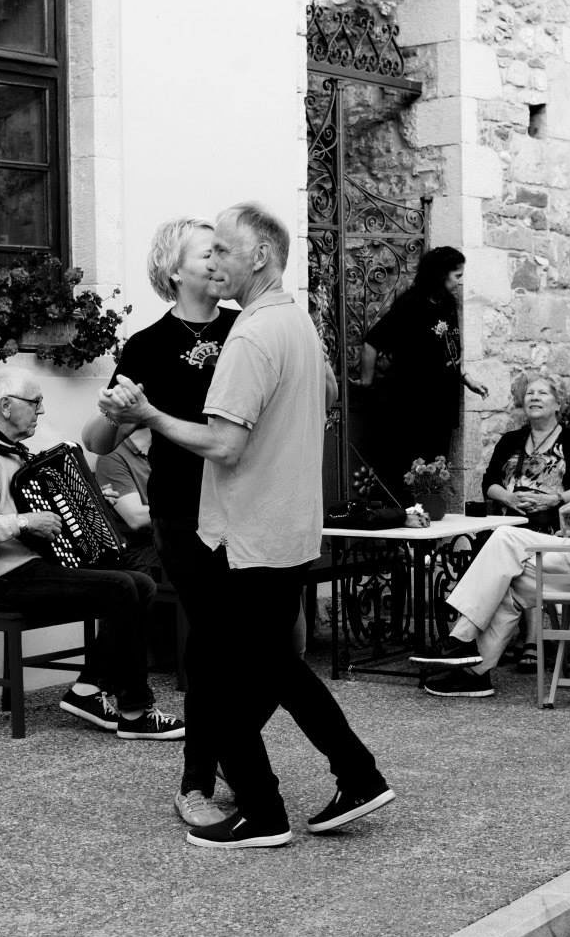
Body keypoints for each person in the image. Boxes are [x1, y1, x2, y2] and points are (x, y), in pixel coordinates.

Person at [103, 201, 391, 848]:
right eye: (206, 252)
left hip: (244, 527)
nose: (217, 262)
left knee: (235, 665)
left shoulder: (251, 332)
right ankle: (336, 776)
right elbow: (321, 396)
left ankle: (268, 803)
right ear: (174, 271)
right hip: (236, 520)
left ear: (258, 256)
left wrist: (151, 416)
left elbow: (227, 444)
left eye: (223, 249)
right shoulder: (288, 321)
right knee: (254, 660)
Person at [0, 365, 185, 741]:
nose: (41, 411)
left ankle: (87, 689)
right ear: (6, 406)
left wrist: (90, 501)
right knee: (122, 587)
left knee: (140, 582)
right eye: (35, 402)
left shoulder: (11, 452)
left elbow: (34, 504)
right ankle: (135, 711)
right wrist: (24, 523)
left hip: (27, 571)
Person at [409, 398, 570, 700]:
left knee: (507, 553)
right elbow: (491, 481)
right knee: (507, 559)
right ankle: (470, 664)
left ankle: (463, 650)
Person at [358, 246, 486, 497]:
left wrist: (466, 378)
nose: (460, 282)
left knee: (435, 475)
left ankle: (430, 515)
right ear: (440, 274)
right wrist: (366, 383)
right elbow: (372, 342)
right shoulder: (411, 305)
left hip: (442, 407)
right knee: (409, 475)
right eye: (457, 276)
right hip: (413, 407)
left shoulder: (448, 303)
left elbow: (449, 350)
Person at [477, 372, 570, 535]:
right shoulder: (510, 440)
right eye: (530, 393)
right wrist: (508, 498)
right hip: (509, 526)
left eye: (542, 393)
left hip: (556, 531)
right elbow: (489, 482)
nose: (535, 397)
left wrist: (556, 499)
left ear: (558, 404)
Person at [95, 425, 162, 579]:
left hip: (169, 535)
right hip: (142, 547)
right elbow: (136, 519)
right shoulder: (112, 456)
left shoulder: (171, 449)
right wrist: (190, 510)